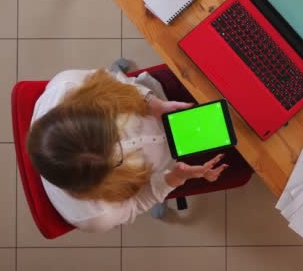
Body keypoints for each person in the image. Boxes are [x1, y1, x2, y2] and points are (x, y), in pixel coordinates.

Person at [26, 67, 228, 233]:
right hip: (172, 163)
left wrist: (150, 102)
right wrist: (174, 179)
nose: (125, 141)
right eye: (119, 157)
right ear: (102, 182)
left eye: (115, 125)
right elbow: (136, 203)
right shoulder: (97, 216)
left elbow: (111, 81)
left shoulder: (67, 86)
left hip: (159, 98)